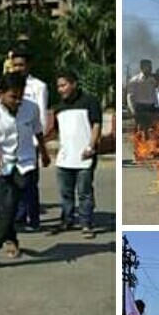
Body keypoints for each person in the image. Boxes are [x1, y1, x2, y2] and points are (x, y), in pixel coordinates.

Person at [0, 73, 50, 268]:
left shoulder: (31, 108)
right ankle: (11, 241)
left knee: (12, 204)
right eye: (12, 97)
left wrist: (44, 152)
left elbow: (38, 130)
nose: (17, 101)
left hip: (26, 162)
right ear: (0, 94)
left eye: (20, 96)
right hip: (3, 163)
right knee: (5, 206)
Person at [53, 69, 102, 240]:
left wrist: (91, 146)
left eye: (63, 85)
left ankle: (86, 223)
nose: (60, 89)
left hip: (85, 157)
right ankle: (67, 220)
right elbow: (57, 132)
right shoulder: (59, 108)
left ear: (73, 84)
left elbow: (96, 125)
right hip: (65, 158)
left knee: (84, 192)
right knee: (65, 193)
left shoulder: (90, 101)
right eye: (58, 86)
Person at [11, 47, 49, 232]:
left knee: (30, 183)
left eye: (21, 65)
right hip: (11, 142)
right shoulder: (7, 84)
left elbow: (40, 114)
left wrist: (39, 143)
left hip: (30, 141)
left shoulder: (38, 86)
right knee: (14, 181)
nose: (18, 68)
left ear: (28, 66)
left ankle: (33, 218)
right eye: (15, 65)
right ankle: (19, 216)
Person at [127, 60, 158, 135]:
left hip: (150, 107)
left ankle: (147, 145)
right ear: (142, 67)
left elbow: (154, 94)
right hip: (140, 107)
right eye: (149, 67)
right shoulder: (135, 80)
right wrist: (132, 109)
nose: (151, 68)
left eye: (151, 66)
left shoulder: (152, 80)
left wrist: (156, 106)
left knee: (150, 130)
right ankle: (140, 145)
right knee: (140, 129)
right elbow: (129, 96)